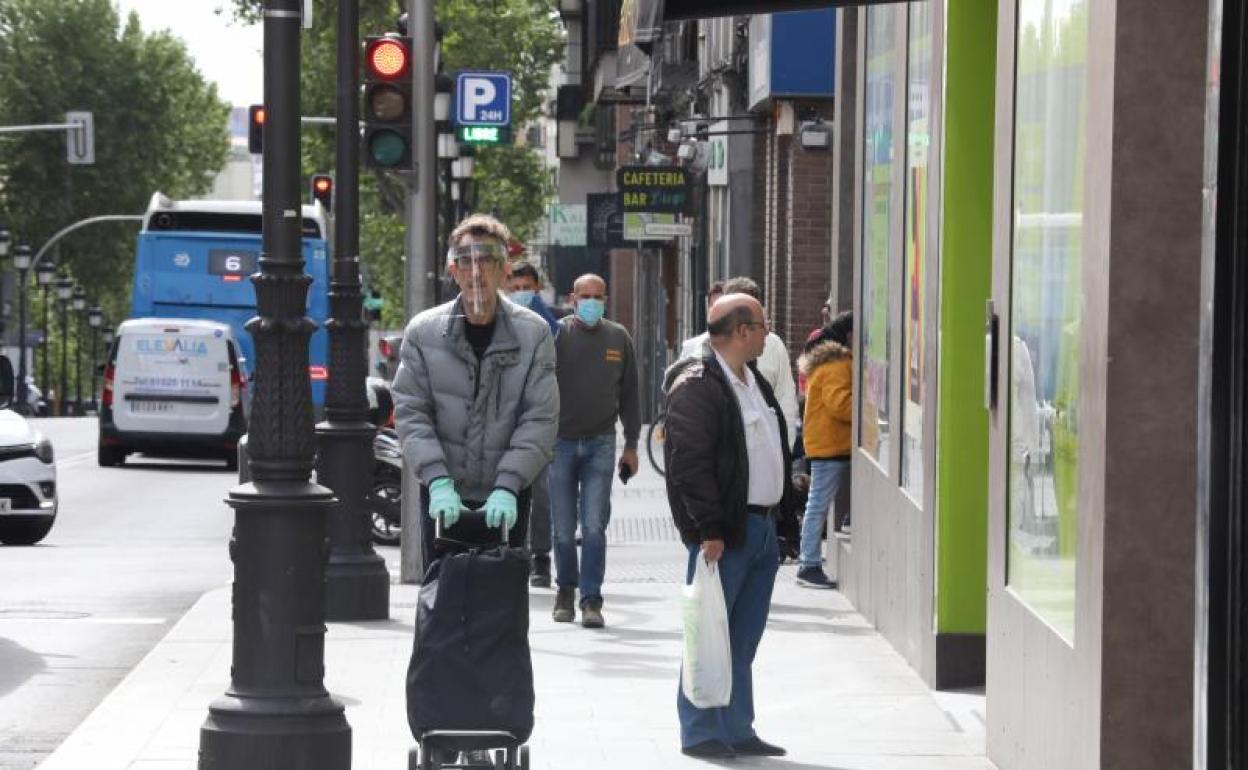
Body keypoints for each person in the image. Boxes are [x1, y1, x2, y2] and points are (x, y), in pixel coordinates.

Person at [391, 213, 559, 571]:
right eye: (465, 262)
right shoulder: (423, 333)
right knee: (443, 601)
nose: (476, 273)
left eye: (487, 261)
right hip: (444, 494)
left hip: (506, 495)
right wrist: (436, 479)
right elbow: (411, 411)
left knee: (501, 604)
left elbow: (539, 416)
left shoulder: (534, 334)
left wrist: (509, 483)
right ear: (453, 270)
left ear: (504, 271)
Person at [664, 293, 792, 759]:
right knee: (708, 634)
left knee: (741, 639)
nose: (767, 332)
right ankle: (699, 731)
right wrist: (709, 527)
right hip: (725, 532)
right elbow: (689, 463)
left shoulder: (749, 377)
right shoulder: (698, 382)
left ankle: (738, 727)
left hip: (761, 527)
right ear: (741, 331)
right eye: (762, 324)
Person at [549, 273, 641, 629]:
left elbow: (631, 395)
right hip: (560, 443)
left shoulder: (619, 337)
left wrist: (632, 445)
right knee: (561, 528)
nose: (590, 302)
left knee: (593, 526)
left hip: (602, 443)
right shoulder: (556, 335)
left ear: (606, 299)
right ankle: (565, 592)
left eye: (597, 296)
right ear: (572, 298)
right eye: (584, 296)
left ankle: (591, 599)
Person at [679, 276, 798, 433]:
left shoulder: (773, 348)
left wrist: (784, 449)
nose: (766, 331)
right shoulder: (695, 352)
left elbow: (786, 401)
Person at [506, 260, 560, 587]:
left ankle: (540, 557)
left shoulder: (550, 325)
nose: (522, 294)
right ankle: (514, 552)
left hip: (539, 421)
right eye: (517, 288)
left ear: (537, 288)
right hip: (507, 421)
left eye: (528, 288)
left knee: (540, 493)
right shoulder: (501, 320)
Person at [794, 311, 853, 588]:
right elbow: (839, 404)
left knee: (817, 503)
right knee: (817, 504)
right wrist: (868, 407)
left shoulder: (824, 364)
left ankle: (810, 561)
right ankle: (809, 564)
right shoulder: (837, 366)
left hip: (825, 444)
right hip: (830, 446)